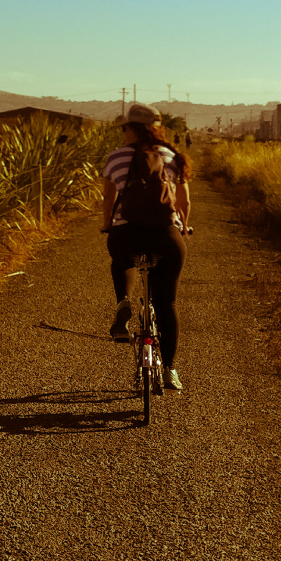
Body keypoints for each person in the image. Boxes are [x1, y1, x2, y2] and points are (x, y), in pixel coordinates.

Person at [102, 103, 191, 392]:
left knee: (121, 259)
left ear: (132, 129)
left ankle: (124, 301)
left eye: (125, 127)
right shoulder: (171, 156)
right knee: (167, 303)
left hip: (127, 234)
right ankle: (169, 371)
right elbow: (183, 203)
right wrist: (183, 228)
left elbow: (107, 202)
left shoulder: (115, 157)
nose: (124, 132)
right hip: (165, 235)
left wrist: (108, 224)